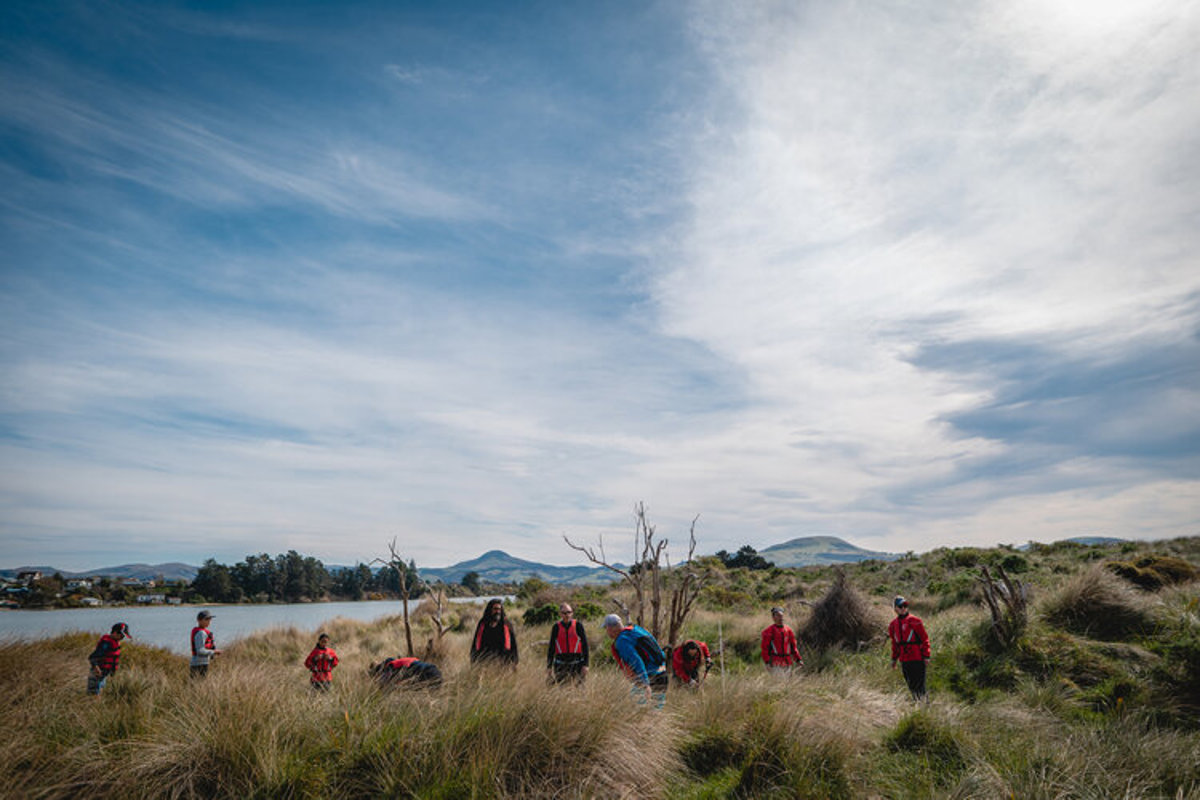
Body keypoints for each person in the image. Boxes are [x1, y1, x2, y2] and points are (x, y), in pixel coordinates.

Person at [602, 614, 668, 708]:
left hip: (649, 677)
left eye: (606, 628)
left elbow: (636, 660)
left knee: (636, 710)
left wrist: (646, 684)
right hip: (662, 674)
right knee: (657, 711)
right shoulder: (636, 629)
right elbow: (658, 650)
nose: (607, 632)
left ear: (612, 628)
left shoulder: (622, 641)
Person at [888, 596, 930, 701]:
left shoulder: (915, 621)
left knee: (920, 686)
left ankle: (925, 708)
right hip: (904, 659)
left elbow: (924, 639)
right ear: (895, 609)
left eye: (905, 605)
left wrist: (926, 656)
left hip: (917, 657)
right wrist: (894, 659)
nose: (903, 608)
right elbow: (895, 644)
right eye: (900, 606)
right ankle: (917, 706)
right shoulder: (893, 625)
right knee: (911, 686)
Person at [546, 603, 589, 684]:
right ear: (560, 614)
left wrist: (586, 665)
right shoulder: (556, 627)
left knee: (579, 690)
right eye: (564, 613)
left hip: (577, 664)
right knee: (563, 690)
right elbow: (551, 648)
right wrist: (549, 667)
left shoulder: (578, 625)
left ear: (572, 613)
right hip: (560, 664)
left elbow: (585, 646)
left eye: (569, 612)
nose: (567, 615)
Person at [470, 598, 518, 669]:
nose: (497, 611)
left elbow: (513, 644)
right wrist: (474, 659)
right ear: (490, 610)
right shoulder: (483, 623)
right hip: (485, 662)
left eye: (499, 609)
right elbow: (476, 641)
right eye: (495, 609)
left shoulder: (506, 624)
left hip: (503, 663)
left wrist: (514, 662)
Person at [87, 622, 131, 696]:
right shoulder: (106, 643)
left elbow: (113, 660)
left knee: (100, 693)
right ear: (114, 632)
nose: (122, 638)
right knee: (93, 695)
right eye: (122, 635)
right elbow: (92, 657)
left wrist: (112, 673)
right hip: (97, 674)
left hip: (104, 674)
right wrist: (96, 668)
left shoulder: (115, 642)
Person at [760, 607, 802, 675]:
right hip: (775, 663)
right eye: (778, 616)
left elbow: (793, 647)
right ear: (773, 617)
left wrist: (798, 659)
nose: (781, 618)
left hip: (787, 662)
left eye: (782, 616)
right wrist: (767, 662)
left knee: (787, 684)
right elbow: (765, 649)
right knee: (778, 684)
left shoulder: (788, 630)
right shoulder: (768, 631)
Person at [370, 656, 443, 689]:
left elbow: (382, 684)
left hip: (427, 674)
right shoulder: (404, 660)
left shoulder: (391, 665)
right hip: (436, 672)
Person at [190, 610, 222, 678]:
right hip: (198, 664)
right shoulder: (201, 633)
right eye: (206, 619)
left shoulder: (201, 632)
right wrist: (214, 652)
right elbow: (200, 651)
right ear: (199, 620)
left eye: (210, 619)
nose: (209, 621)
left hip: (201, 663)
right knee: (198, 685)